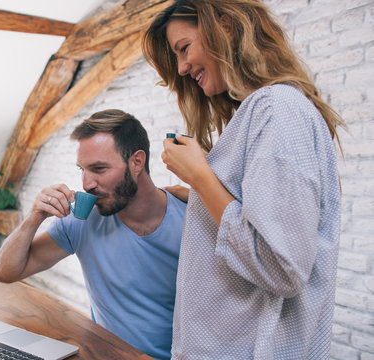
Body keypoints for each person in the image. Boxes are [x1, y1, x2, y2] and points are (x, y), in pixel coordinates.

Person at [142, 1, 346, 359]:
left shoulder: (277, 109)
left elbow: (281, 267)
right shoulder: (268, 110)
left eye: (184, 48)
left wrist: (202, 176)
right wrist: (202, 198)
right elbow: (265, 222)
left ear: (226, 26)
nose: (182, 67)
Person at [0, 109, 187, 360]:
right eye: (82, 169)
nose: (87, 184)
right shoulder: (82, 221)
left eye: (99, 168)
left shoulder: (190, 221)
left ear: (137, 162)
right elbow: (5, 272)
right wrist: (34, 217)